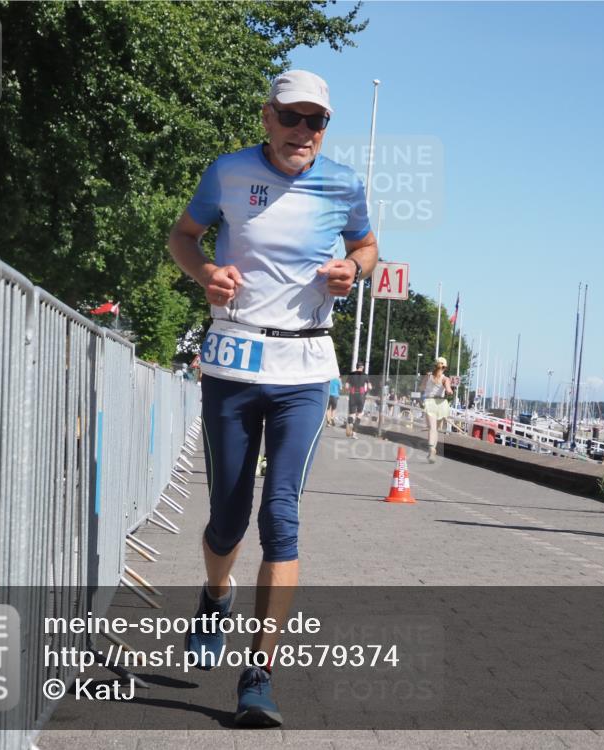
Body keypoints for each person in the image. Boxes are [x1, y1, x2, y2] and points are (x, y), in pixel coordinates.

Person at [167, 69, 377, 727]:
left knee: (280, 515)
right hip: (234, 356)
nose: (304, 133)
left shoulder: (343, 183)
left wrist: (354, 271)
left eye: (317, 121)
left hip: (307, 364)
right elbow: (182, 237)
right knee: (227, 516)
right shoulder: (227, 173)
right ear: (267, 117)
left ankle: (258, 674)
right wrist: (206, 273)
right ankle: (214, 593)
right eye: (293, 118)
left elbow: (367, 248)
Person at [420, 356, 454, 462]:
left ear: (435, 365)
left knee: (432, 428)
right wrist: (450, 391)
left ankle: (431, 449)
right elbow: (449, 391)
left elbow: (421, 387)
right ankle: (433, 449)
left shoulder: (428, 375)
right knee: (436, 429)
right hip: (440, 404)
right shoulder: (445, 379)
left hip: (429, 402)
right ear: (445, 368)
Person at [345, 363, 368, 438]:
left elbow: (346, 386)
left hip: (353, 394)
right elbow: (369, 387)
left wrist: (350, 390)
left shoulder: (351, 374)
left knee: (352, 414)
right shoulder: (365, 375)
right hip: (361, 395)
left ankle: (351, 423)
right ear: (362, 367)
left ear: (356, 367)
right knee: (360, 414)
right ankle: (354, 432)